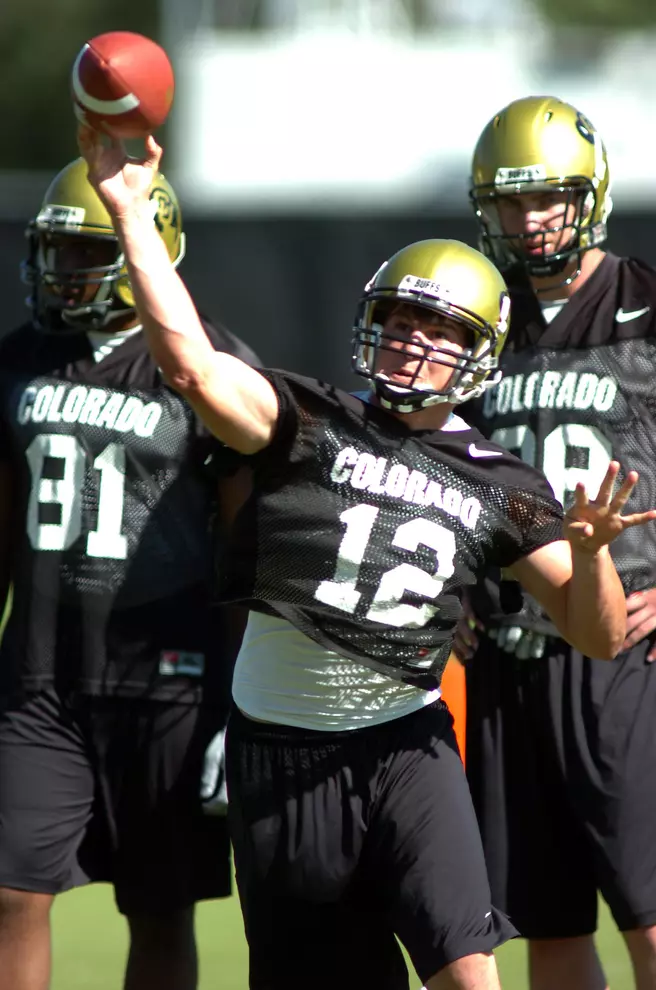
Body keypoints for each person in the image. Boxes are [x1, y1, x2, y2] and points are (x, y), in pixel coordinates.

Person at [77, 124, 656, 990]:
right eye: (398, 322)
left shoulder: (502, 481)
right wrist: (129, 211)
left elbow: (599, 634)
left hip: (408, 747)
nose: (413, 343)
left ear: (480, 352)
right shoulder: (306, 420)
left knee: (470, 974)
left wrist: (593, 553)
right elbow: (193, 368)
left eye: (440, 331)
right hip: (282, 754)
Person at [0, 157, 260, 990]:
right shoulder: (20, 360)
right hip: (39, 675)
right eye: (59, 250)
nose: (67, 269)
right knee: (10, 892)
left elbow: (247, 547)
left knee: (157, 909)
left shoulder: (210, 363)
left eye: (89, 251)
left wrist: (242, 700)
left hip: (170, 680)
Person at [463, 94, 656, 990]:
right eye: (510, 201)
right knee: (549, 928)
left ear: (591, 196)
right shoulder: (479, 320)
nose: (530, 218)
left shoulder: (645, 303)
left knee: (649, 918)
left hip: (625, 655)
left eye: (548, 197)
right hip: (509, 655)